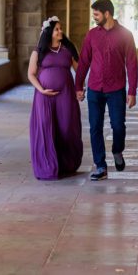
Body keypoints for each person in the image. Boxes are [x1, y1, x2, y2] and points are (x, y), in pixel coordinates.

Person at [75, 0, 138, 181]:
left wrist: (132, 91)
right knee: (95, 127)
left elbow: (132, 64)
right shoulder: (92, 35)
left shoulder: (125, 35)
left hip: (116, 89)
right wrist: (78, 85)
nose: (94, 17)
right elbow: (84, 61)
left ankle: (117, 150)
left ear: (107, 14)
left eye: (96, 14)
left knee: (118, 126)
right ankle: (100, 166)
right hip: (95, 88)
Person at [28, 16, 84, 180]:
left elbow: (79, 71)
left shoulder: (68, 49)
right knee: (46, 130)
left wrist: (80, 89)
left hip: (66, 95)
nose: (60, 31)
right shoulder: (39, 51)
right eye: (57, 29)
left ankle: (66, 164)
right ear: (49, 33)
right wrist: (41, 90)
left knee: (66, 128)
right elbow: (31, 74)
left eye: (60, 28)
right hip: (44, 97)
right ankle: (47, 168)